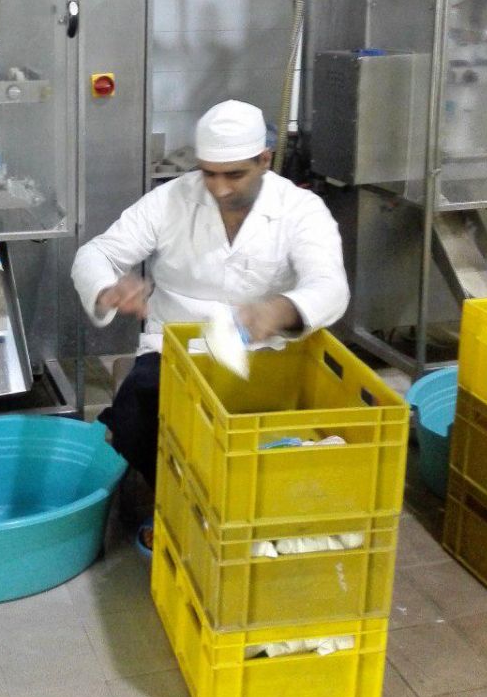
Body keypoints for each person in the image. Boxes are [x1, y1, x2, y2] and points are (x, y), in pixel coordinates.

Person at [71, 99, 350, 538]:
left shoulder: (300, 209)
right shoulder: (171, 200)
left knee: (257, 436)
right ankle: (181, 504)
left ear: (264, 160)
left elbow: (330, 286)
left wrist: (278, 310)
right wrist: (108, 289)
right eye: (209, 173)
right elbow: (96, 253)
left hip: (265, 351)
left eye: (234, 175)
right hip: (175, 348)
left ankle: (249, 506)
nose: (219, 188)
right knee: (135, 420)